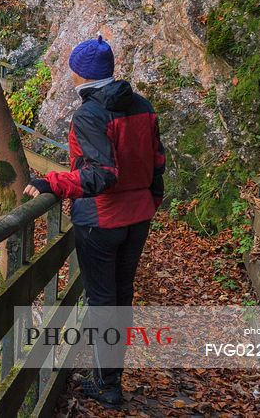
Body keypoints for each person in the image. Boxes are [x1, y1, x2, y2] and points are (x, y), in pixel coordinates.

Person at [23, 35, 165, 408]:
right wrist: (151, 200)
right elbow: (158, 163)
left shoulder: (90, 114)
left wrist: (52, 181)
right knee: (121, 296)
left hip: (102, 221)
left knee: (103, 299)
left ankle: (107, 385)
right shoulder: (142, 106)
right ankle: (108, 376)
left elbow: (102, 176)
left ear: (78, 74)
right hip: (137, 217)